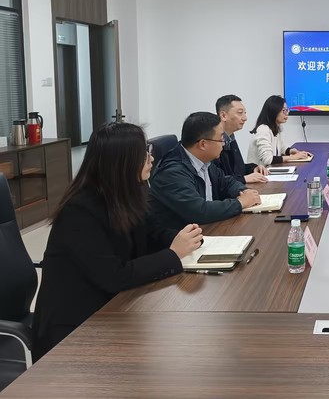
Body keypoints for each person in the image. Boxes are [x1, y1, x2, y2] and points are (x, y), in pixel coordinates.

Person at [31, 123, 203, 361]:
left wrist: (182, 238)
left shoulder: (129, 192)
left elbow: (151, 234)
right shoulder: (79, 211)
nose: (151, 158)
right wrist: (173, 254)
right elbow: (114, 276)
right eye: (144, 153)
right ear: (121, 161)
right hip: (74, 329)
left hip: (114, 307)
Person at [149, 112, 261, 230]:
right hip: (183, 237)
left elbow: (226, 182)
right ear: (203, 144)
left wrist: (244, 192)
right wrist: (240, 203)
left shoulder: (204, 160)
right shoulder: (172, 172)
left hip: (207, 229)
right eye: (220, 139)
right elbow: (199, 211)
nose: (223, 143)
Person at [214, 94, 268, 184]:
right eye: (240, 113)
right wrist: (244, 179)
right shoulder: (214, 141)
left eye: (244, 113)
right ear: (223, 115)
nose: (245, 118)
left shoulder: (230, 138)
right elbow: (218, 181)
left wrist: (254, 168)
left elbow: (238, 170)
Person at [247, 95, 310, 166]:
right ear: (273, 112)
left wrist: (292, 151)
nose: (287, 113)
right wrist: (292, 157)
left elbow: (282, 148)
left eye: (287, 110)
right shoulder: (263, 129)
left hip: (269, 169)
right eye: (283, 111)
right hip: (258, 171)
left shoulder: (277, 128)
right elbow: (268, 159)